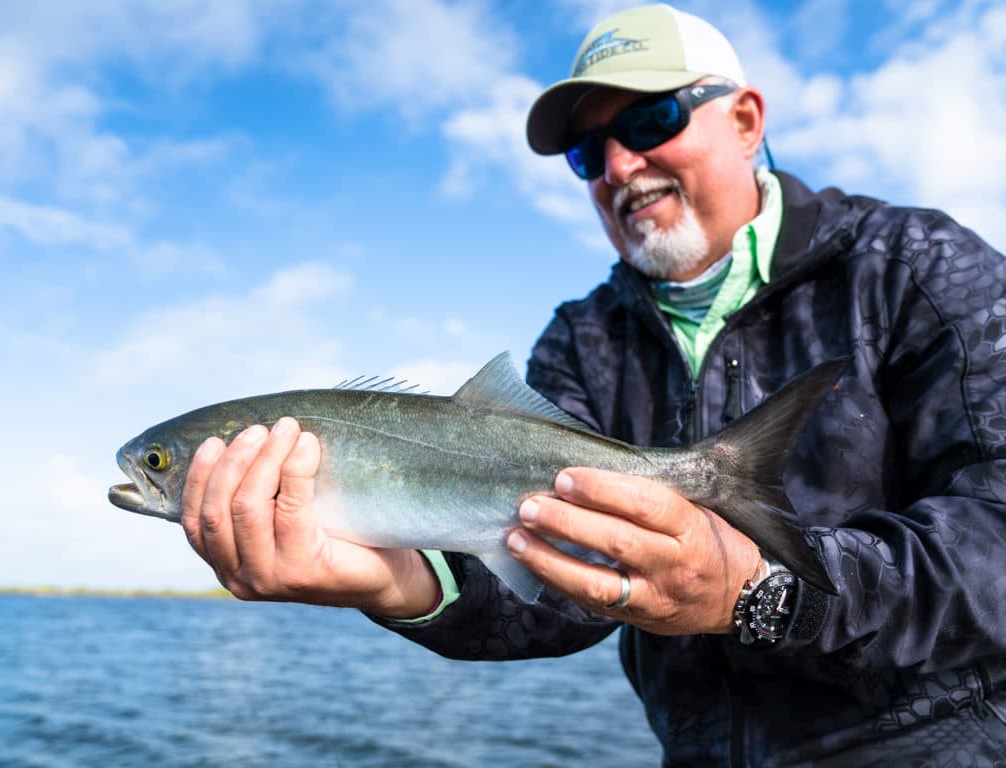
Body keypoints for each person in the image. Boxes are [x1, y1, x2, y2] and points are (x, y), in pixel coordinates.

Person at [179, 4, 1006, 766]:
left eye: (652, 119)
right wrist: (399, 587)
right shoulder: (582, 337)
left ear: (747, 121)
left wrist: (761, 590)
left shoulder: (919, 270)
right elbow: (555, 592)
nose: (619, 164)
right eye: (587, 151)